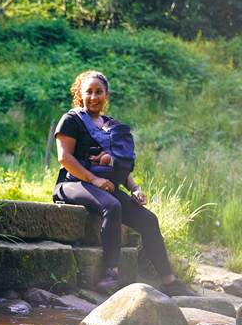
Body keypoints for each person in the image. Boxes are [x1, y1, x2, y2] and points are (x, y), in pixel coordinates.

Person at [53, 70, 198, 297]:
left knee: (149, 219)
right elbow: (65, 157)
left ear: (106, 94)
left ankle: (170, 282)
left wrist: (135, 189)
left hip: (106, 185)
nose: (93, 97)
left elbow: (121, 166)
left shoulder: (113, 125)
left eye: (98, 92)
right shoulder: (71, 120)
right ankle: (111, 275)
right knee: (112, 206)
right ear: (80, 94)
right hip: (73, 183)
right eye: (88, 92)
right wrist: (94, 179)